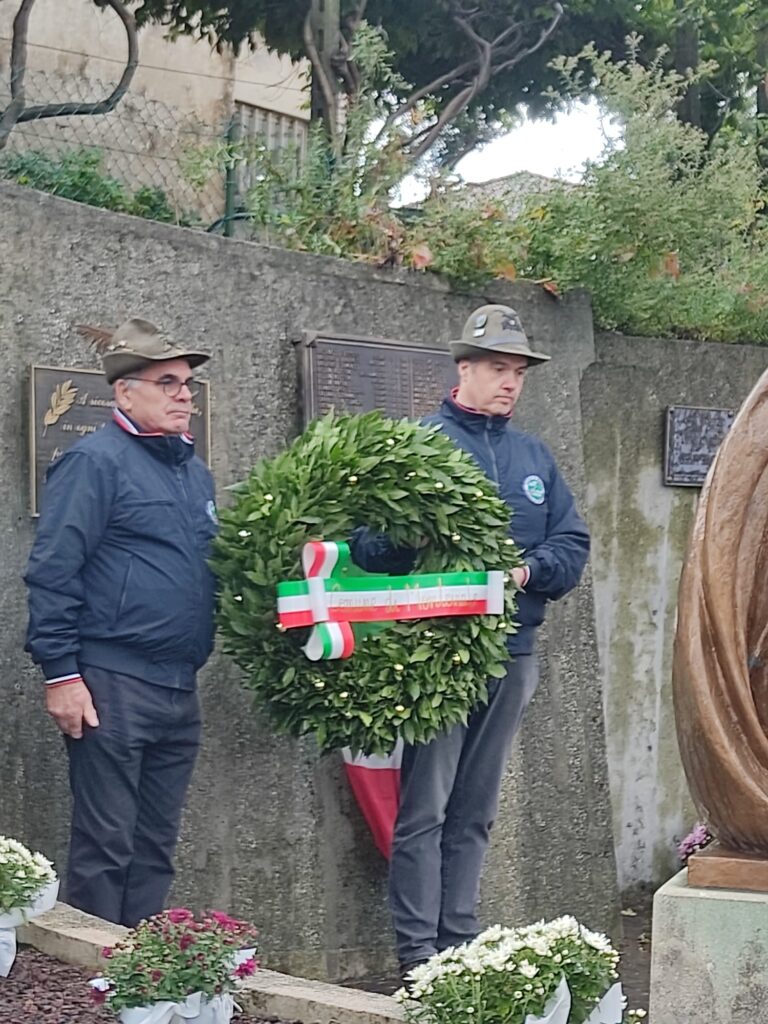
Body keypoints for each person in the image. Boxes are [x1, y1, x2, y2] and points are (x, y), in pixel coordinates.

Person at [350, 304, 590, 980]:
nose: (510, 382)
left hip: (512, 652)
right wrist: (409, 534)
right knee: (425, 806)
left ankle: (459, 945)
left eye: (519, 372)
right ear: (464, 369)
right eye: (498, 368)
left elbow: (572, 543)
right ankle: (418, 954)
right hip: (438, 653)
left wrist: (527, 572)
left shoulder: (533, 456)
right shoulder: (420, 445)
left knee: (476, 809)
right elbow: (367, 546)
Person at [24, 317, 217, 927]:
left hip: (178, 684)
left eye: (187, 384)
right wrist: (61, 675)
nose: (184, 395)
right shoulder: (93, 462)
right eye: (167, 382)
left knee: (154, 847)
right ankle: (92, 975)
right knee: (105, 846)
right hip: (111, 682)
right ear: (125, 392)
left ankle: (136, 971)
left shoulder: (193, 472)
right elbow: (54, 569)